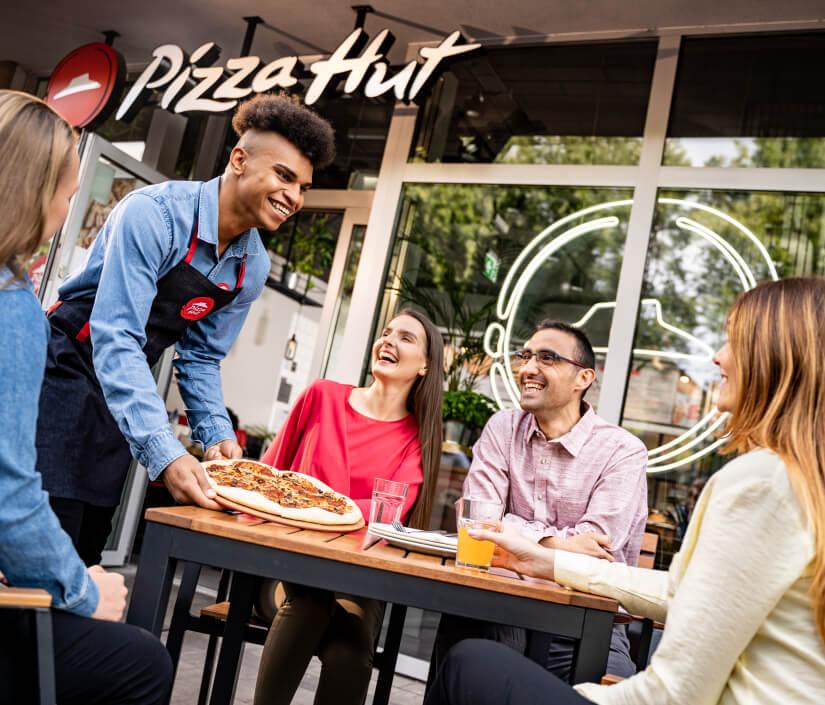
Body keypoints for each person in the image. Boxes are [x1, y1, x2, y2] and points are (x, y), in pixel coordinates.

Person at [426, 277, 825, 705]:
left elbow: (676, 693)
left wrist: (575, 697)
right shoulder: (801, 479)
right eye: (525, 355)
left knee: (471, 664)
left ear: (775, 362)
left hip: (590, 637)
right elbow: (678, 591)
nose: (717, 356)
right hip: (513, 608)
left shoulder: (759, 482)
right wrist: (552, 557)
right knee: (480, 643)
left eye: (733, 341)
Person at [35, 94, 336, 565]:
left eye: (303, 187)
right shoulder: (153, 215)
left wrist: (216, 436)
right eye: (284, 176)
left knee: (89, 539)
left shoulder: (250, 267)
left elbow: (200, 357)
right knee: (48, 538)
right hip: (64, 368)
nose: (295, 197)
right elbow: (116, 336)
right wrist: (165, 450)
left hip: (120, 391)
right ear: (239, 159)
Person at [0, 90, 172, 705]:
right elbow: (9, 494)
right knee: (143, 661)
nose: (70, 205)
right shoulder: (13, 308)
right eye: (69, 193)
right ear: (33, 192)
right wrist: (83, 588)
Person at [429, 320, 648, 684]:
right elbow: (477, 521)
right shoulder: (502, 428)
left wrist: (513, 536)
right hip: (497, 607)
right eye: (526, 355)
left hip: (581, 623)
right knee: (470, 645)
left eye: (547, 358)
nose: (528, 368)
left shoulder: (623, 452)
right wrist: (558, 543)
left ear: (583, 378)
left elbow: (597, 544)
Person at [252, 309, 445, 705]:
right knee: (310, 604)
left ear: (426, 365)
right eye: (386, 332)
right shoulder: (322, 396)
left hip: (358, 584)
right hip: (288, 572)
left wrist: (309, 501)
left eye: (406, 338)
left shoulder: (416, 440)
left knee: (352, 654)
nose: (388, 340)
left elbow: (387, 514)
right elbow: (269, 479)